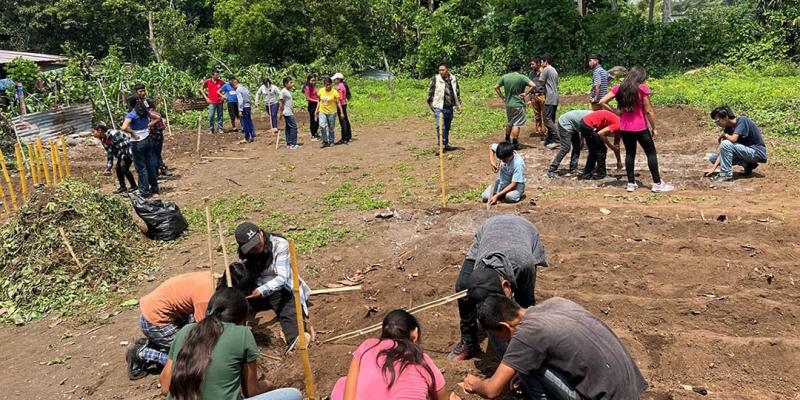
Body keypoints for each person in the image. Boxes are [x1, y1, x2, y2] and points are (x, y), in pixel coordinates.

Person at [463, 295, 648, 400]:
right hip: (629, 390)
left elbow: (492, 390)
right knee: (526, 363)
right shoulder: (556, 303)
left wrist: (476, 384)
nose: (503, 342)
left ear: (504, 326)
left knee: (527, 367)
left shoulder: (527, 334)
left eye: (499, 337)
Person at [159, 288, 303, 400]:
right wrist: (269, 385)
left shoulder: (186, 331)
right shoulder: (242, 334)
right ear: (241, 317)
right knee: (293, 394)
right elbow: (251, 391)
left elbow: (165, 387)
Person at [127, 264, 256, 380]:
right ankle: (140, 353)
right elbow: (206, 333)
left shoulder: (216, 279)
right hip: (155, 320)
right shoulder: (205, 299)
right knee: (188, 362)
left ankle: (155, 343)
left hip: (172, 313)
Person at [449, 215, 547, 361]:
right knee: (463, 286)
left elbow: (526, 304)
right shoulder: (480, 267)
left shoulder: (524, 266)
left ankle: (528, 345)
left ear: (507, 287)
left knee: (524, 301)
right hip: (490, 229)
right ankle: (469, 342)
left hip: (524, 230)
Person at [330, 310, 449, 400]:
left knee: (342, 385)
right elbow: (442, 397)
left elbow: (348, 397)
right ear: (415, 334)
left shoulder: (367, 347)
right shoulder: (422, 361)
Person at [234, 222, 310, 353]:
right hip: (256, 287)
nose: (256, 248)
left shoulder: (280, 245)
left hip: (278, 289)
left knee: (288, 307)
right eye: (251, 247)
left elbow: (282, 278)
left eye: (257, 243)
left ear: (261, 233)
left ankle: (295, 339)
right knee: (236, 298)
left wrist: (261, 291)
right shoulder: (247, 255)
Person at [599, 66, 673, 193]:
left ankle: (631, 183)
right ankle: (657, 183)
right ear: (641, 76)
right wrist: (654, 128)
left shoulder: (619, 88)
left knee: (630, 153)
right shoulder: (642, 88)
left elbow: (602, 101)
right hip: (640, 127)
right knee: (650, 153)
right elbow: (648, 111)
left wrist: (616, 112)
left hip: (625, 127)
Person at [705, 106, 767, 182]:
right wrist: (713, 168)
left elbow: (733, 139)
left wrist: (725, 135)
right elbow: (723, 151)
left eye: (717, 120)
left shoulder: (742, 120)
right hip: (745, 152)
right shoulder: (728, 128)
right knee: (713, 159)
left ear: (726, 117)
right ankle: (748, 165)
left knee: (726, 143)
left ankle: (726, 174)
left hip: (757, 153)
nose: (717, 123)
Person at [121, 95, 162, 198]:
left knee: (141, 168)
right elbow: (158, 118)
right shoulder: (144, 111)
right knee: (150, 165)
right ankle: (154, 188)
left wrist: (133, 133)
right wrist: (148, 126)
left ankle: (144, 191)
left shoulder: (131, 114)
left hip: (138, 142)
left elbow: (124, 127)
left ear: (130, 104)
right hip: (148, 139)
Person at [495, 59, 536, 149]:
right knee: (516, 124)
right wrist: (526, 93)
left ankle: (506, 139)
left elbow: (496, 87)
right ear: (520, 67)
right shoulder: (522, 77)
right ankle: (514, 143)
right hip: (518, 104)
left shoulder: (505, 77)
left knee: (510, 122)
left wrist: (502, 97)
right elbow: (533, 85)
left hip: (509, 104)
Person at [426, 63, 462, 153]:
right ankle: (440, 146)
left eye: (443, 70)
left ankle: (445, 144)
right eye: (440, 70)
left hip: (449, 107)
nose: (441, 72)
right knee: (440, 126)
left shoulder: (453, 79)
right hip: (439, 107)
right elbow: (430, 92)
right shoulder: (436, 79)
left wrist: (458, 105)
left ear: (447, 70)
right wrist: (431, 105)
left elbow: (456, 92)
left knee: (447, 126)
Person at [92, 122, 136, 194]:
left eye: (94, 131)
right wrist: (109, 167)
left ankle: (133, 186)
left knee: (124, 168)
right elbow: (109, 152)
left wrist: (123, 158)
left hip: (128, 151)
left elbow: (123, 145)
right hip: (121, 153)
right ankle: (123, 187)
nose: (93, 134)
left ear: (100, 130)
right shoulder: (103, 139)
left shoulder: (113, 133)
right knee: (118, 169)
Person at [547, 110, 591, 178]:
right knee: (565, 148)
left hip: (574, 124)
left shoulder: (595, 116)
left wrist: (582, 141)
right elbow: (586, 128)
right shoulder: (593, 118)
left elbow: (584, 129)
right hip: (565, 123)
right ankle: (552, 170)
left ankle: (573, 169)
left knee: (577, 146)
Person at [578, 110, 621, 180]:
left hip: (585, 123)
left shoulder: (620, 129)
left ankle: (587, 174)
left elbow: (616, 145)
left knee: (593, 151)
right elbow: (601, 133)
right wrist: (611, 147)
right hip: (588, 125)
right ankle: (602, 175)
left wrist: (619, 162)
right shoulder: (619, 125)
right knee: (602, 150)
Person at [539, 55, 560, 148]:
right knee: (551, 118)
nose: (541, 64)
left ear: (546, 61)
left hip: (550, 97)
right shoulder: (554, 70)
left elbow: (541, 82)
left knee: (546, 119)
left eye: (541, 62)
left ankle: (557, 139)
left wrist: (541, 72)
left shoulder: (546, 69)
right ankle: (549, 139)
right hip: (555, 96)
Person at [315, 77, 343, 148]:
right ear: (324, 85)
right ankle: (325, 141)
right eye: (327, 85)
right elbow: (319, 101)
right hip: (322, 111)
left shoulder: (334, 92)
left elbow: (338, 102)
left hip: (332, 112)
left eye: (330, 84)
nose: (328, 86)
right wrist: (316, 110)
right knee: (322, 125)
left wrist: (342, 112)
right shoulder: (321, 91)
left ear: (331, 84)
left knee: (331, 127)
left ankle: (331, 141)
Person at [278, 77, 300, 149]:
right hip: (287, 112)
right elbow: (281, 103)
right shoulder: (283, 92)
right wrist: (280, 113)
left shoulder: (287, 91)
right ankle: (293, 144)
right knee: (293, 127)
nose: (292, 84)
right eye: (290, 83)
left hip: (289, 111)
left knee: (288, 127)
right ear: (286, 84)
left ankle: (289, 143)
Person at [526, 57, 546, 139]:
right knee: (537, 115)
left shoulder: (544, 72)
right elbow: (530, 87)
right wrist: (529, 99)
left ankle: (547, 131)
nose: (531, 66)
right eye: (531, 64)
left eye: (533, 64)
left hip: (542, 95)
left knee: (545, 114)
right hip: (534, 96)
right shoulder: (531, 74)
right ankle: (539, 130)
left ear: (538, 63)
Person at [332, 73, 353, 144]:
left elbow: (340, 98)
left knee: (342, 122)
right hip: (344, 104)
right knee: (346, 120)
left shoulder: (339, 87)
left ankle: (344, 138)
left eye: (335, 79)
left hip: (341, 105)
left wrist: (333, 99)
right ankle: (348, 136)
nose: (334, 81)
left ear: (338, 79)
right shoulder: (343, 85)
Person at [234, 79, 256, 143]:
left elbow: (240, 100)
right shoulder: (245, 88)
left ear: (235, 83)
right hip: (248, 106)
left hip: (244, 107)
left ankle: (247, 137)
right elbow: (249, 97)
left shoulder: (238, 90)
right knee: (249, 121)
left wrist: (240, 110)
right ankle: (252, 135)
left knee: (245, 123)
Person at [302, 74, 320, 141]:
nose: (313, 82)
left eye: (314, 80)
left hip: (317, 104)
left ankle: (315, 133)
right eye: (312, 80)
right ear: (309, 81)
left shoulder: (314, 87)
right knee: (313, 120)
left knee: (318, 120)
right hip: (312, 105)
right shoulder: (307, 88)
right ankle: (313, 135)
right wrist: (316, 100)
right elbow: (307, 98)